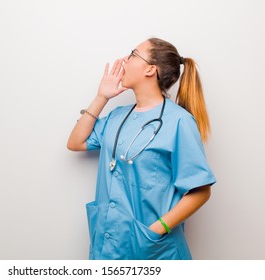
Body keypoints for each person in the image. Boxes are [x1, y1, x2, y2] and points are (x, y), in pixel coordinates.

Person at [67, 37, 216, 260]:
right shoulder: (118, 116)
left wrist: (156, 230)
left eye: (133, 54)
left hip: (154, 251)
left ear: (150, 70)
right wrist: (102, 96)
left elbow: (200, 190)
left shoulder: (179, 122)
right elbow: (75, 143)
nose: (124, 60)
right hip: (108, 246)